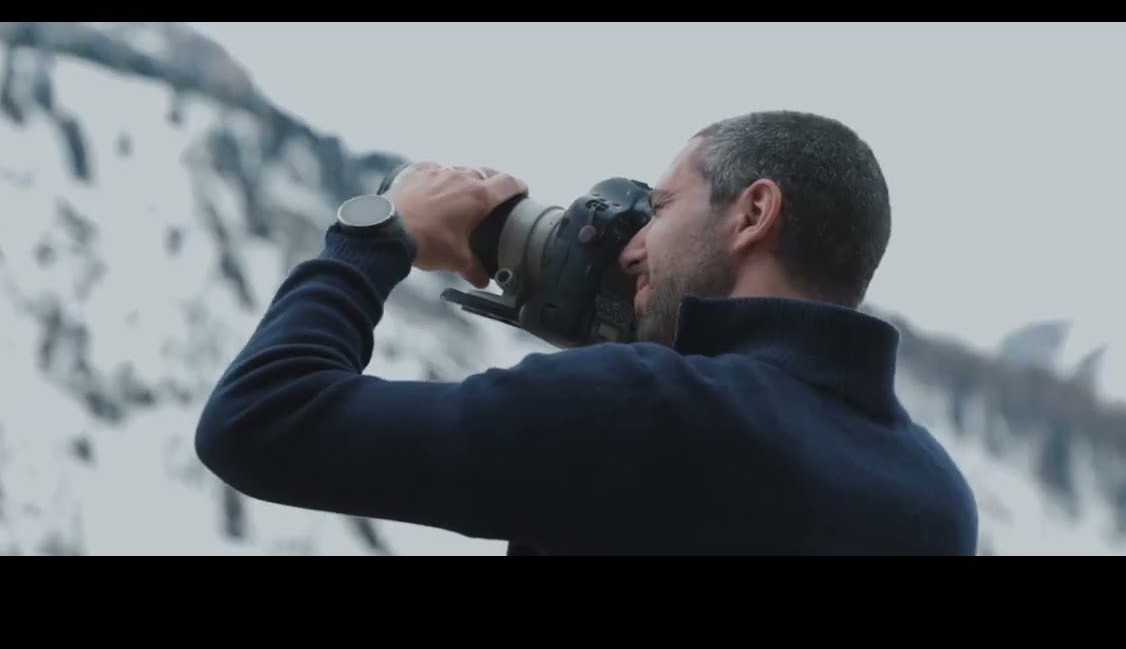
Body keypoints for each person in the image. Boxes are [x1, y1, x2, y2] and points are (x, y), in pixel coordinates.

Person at [194, 110, 979, 555]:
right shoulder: (936, 497)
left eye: (663, 210)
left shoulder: (646, 411)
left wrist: (373, 239)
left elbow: (260, 421)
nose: (635, 245)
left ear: (753, 213)